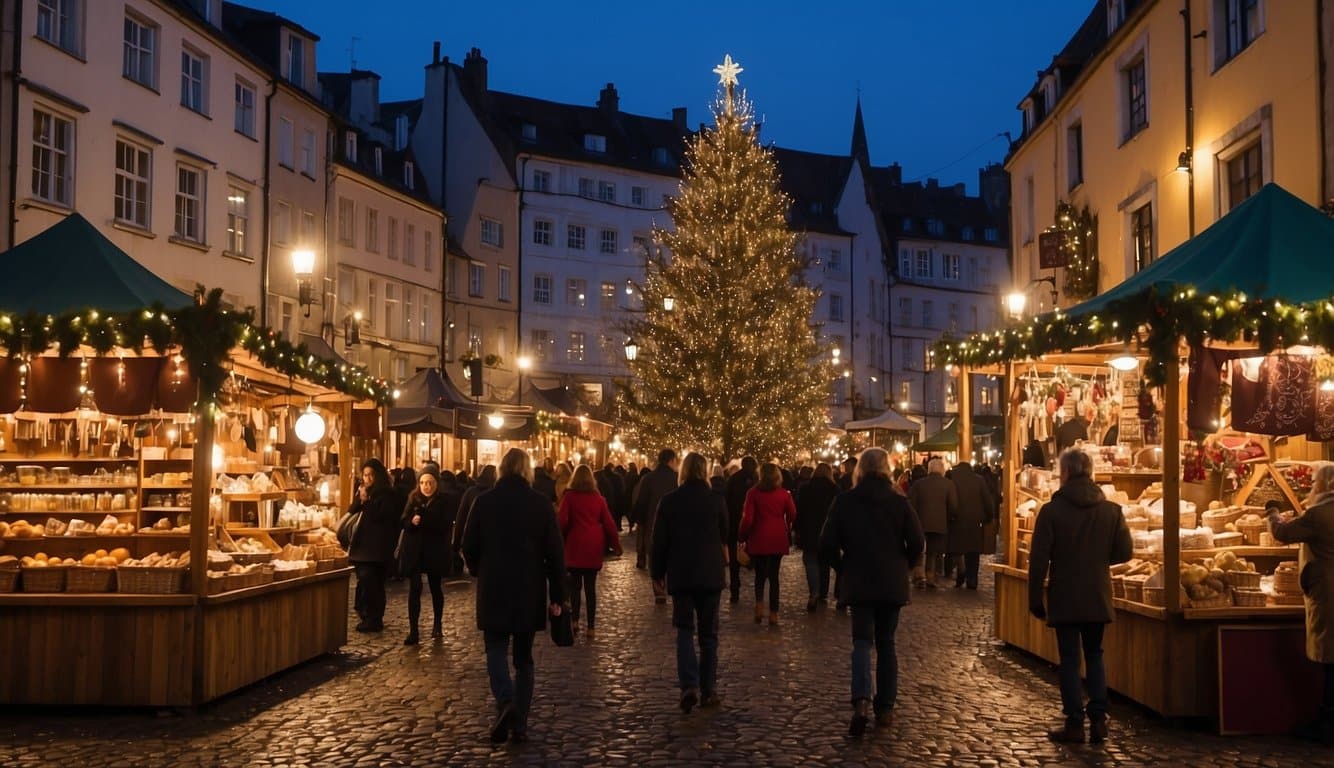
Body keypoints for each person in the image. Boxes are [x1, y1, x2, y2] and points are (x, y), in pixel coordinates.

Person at [461, 448, 568, 745]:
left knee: (495, 649)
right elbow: (556, 554)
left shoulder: (484, 502)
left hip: (494, 586)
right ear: (527, 471)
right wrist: (559, 594)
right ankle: (519, 722)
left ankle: (505, 700)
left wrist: (478, 568)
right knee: (524, 658)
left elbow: (468, 544)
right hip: (528, 588)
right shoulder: (541, 504)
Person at [1028, 448, 1133, 745]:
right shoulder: (1111, 510)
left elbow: (1038, 560)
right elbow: (1125, 551)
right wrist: (1098, 562)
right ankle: (1099, 719)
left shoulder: (1051, 511)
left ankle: (1074, 723)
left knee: (1070, 660)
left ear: (1066, 473)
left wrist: (1035, 599)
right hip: (1097, 593)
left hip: (1065, 596)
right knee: (1096, 654)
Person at [820, 448, 924, 737]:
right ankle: (886, 707)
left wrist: (843, 567)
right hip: (891, 581)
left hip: (860, 580)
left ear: (860, 470)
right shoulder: (899, 502)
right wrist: (905, 563)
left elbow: (826, 543)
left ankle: (862, 701)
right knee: (887, 643)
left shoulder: (845, 501)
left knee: (862, 642)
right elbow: (917, 540)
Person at [651, 452, 728, 713]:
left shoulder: (670, 501)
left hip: (682, 574)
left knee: (684, 631)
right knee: (709, 636)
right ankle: (709, 690)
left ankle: (689, 685)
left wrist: (657, 572)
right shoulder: (716, 500)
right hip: (710, 575)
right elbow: (726, 532)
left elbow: (659, 541)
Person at [1268, 463, 1334, 744]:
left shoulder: (1320, 513)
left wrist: (1271, 512)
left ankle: (1327, 723)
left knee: (1331, 659)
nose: (1312, 486)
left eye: (1316, 481)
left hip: (1328, 594)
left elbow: (1282, 534)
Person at [558, 464, 622, 639]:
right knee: (591, 588)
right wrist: (616, 545)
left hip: (575, 545)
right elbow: (609, 524)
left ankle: (575, 621)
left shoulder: (570, 497)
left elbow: (562, 521)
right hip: (593, 546)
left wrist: (559, 540)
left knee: (575, 587)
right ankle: (591, 627)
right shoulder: (598, 499)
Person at [399, 465, 453, 645]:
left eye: (430, 482)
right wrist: (411, 521)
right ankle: (413, 630)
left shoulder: (444, 501)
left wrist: (425, 517)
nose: (426, 486)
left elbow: (444, 524)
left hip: (434, 551)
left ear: (436, 483)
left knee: (435, 587)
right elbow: (403, 521)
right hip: (414, 551)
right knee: (414, 589)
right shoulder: (413, 498)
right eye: (422, 482)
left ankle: (437, 623)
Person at [739, 463, 796, 625]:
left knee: (759, 576)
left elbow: (748, 518)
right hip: (777, 537)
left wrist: (742, 535)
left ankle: (759, 607)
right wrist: (787, 525)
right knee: (774, 577)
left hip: (759, 538)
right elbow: (792, 513)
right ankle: (773, 614)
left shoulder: (753, 493)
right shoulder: (784, 494)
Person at [347, 458, 400, 633]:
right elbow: (352, 510)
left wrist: (367, 502)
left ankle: (374, 618)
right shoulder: (363, 492)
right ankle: (367, 615)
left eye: (371, 475)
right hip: (362, 546)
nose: (368, 478)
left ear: (378, 476)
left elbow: (380, 517)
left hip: (376, 548)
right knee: (365, 581)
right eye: (365, 475)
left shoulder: (387, 494)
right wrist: (360, 499)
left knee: (373, 583)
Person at [632, 449, 680, 602]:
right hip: (673, 524)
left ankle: (658, 587)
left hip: (652, 523)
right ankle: (667, 583)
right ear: (671, 460)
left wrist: (640, 521)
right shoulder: (677, 479)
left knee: (655, 555)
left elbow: (641, 503)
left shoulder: (649, 478)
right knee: (671, 555)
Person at [795, 462, 839, 611]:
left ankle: (814, 591)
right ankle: (823, 593)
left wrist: (797, 529)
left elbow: (799, 511)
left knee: (811, 561)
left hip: (809, 530)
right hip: (828, 530)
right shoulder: (834, 489)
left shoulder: (805, 488)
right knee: (824, 562)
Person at [908, 458, 957, 589]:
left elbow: (911, 504)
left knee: (919, 549)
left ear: (929, 469)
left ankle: (918, 575)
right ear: (942, 470)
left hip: (920, 523)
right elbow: (953, 506)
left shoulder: (919, 484)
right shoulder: (948, 484)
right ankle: (931, 576)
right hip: (939, 523)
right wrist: (950, 518)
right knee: (934, 552)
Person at [948, 461, 995, 590]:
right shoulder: (979, 480)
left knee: (959, 549)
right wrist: (988, 517)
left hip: (957, 519)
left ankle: (960, 574)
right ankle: (972, 580)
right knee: (973, 552)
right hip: (975, 521)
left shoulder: (952, 479)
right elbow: (987, 501)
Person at [724, 456, 758, 604]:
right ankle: (759, 595)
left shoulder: (733, 480)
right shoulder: (759, 482)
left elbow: (727, 502)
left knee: (734, 562)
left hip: (735, 524)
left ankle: (735, 591)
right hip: (754, 526)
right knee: (758, 560)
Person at [452, 465, 496, 570]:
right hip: (492, 540)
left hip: (474, 537)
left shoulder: (471, 492)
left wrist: (456, 545)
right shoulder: (497, 493)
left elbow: (461, 519)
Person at [595, 463, 624, 531]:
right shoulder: (616, 477)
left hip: (605, 503)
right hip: (614, 501)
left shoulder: (602, 479)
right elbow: (621, 489)